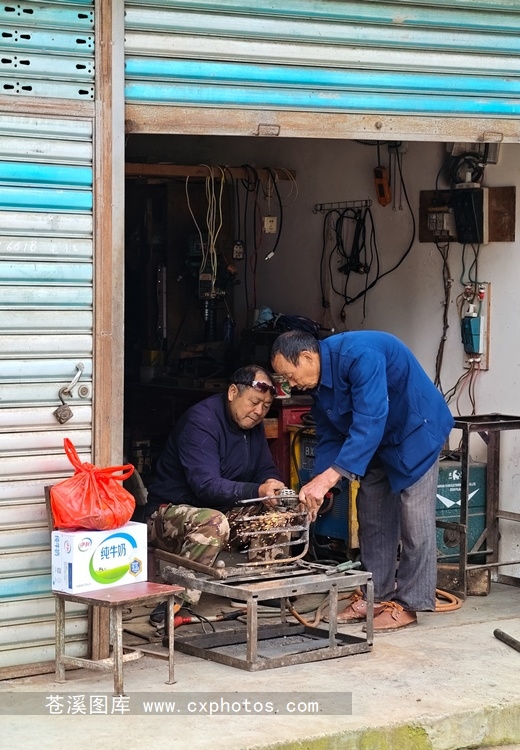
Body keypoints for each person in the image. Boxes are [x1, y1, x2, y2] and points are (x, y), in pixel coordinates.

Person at [271, 329, 454, 633]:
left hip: (416, 430)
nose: (291, 385)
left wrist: (329, 477)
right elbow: (329, 432)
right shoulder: (317, 380)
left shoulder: (358, 355)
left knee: (414, 517)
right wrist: (322, 484)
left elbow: (371, 419)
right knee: (372, 514)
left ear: (306, 357)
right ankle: (375, 595)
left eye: (290, 376)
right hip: (378, 441)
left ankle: (409, 604)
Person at [144, 365, 285, 618]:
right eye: (254, 402)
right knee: (213, 522)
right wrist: (258, 489)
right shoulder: (201, 422)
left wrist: (272, 485)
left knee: (277, 512)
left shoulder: (253, 425)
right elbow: (206, 486)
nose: (258, 412)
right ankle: (178, 599)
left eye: (266, 407)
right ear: (232, 392)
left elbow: (264, 468)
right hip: (167, 515)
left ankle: (256, 586)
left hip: (221, 509)